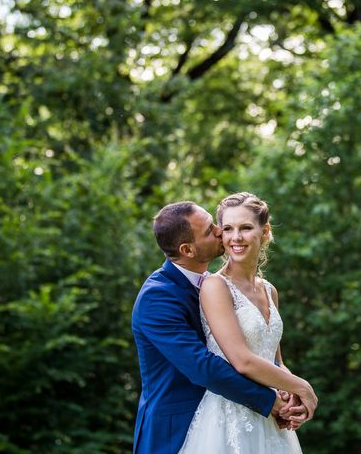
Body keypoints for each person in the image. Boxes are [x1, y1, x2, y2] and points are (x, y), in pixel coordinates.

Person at [131, 201, 307, 454]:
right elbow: (204, 367)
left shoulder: (222, 284)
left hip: (246, 416)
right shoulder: (157, 297)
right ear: (188, 249)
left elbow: (269, 356)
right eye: (210, 230)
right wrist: (273, 402)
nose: (220, 231)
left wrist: (287, 390)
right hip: (179, 431)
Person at [178, 192, 317, 453]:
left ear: (264, 232)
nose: (236, 237)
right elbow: (242, 360)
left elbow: (276, 361)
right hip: (229, 417)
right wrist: (304, 387)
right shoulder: (215, 286)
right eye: (228, 229)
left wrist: (291, 396)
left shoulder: (270, 291)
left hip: (271, 417)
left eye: (245, 228)